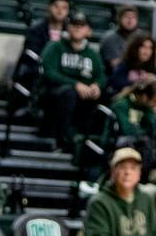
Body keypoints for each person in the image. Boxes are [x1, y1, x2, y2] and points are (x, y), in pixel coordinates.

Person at [39, 12, 107, 150]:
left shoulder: (92, 53)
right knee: (69, 94)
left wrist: (97, 86)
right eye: (74, 25)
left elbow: (102, 75)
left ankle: (88, 142)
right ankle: (63, 141)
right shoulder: (55, 47)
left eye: (82, 26)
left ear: (89, 31)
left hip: (83, 96)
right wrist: (75, 84)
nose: (77, 28)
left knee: (101, 96)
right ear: (67, 28)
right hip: (54, 94)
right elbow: (49, 72)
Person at [86, 149, 156, 236]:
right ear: (113, 171)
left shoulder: (147, 199)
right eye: (122, 167)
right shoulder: (99, 202)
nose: (128, 172)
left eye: (133, 168)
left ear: (139, 174)